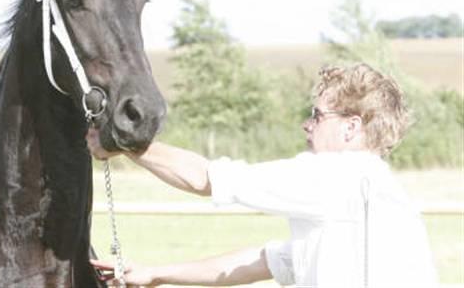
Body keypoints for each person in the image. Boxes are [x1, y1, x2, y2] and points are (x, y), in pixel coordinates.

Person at [86, 63, 438, 287]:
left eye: (317, 115)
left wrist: (120, 144)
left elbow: (203, 178)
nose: (306, 124)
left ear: (351, 127)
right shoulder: (376, 189)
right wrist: (156, 273)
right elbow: (258, 263)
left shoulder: (335, 177)